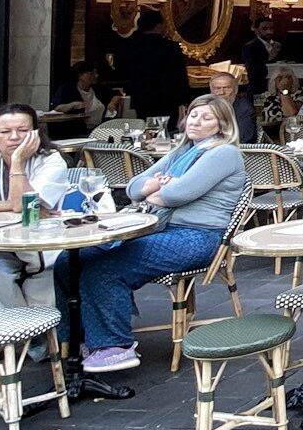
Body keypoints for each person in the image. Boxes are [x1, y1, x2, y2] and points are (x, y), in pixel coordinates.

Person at [78, 94, 248, 373]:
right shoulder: (182, 152)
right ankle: (76, 338)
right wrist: (154, 188)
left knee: (106, 266)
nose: (196, 121)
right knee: (76, 258)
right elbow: (132, 188)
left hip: (197, 237)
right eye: (193, 114)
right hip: (160, 229)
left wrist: (158, 190)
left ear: (222, 126)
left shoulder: (224, 153)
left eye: (207, 118)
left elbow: (178, 194)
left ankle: (114, 347)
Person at [0, 104, 76, 311]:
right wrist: (12, 205)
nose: (14, 137)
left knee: (44, 276)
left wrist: (17, 162)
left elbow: (24, 205)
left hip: (43, 245)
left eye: (23, 131)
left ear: (36, 134)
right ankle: (24, 332)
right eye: (5, 132)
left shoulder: (51, 161)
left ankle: (36, 332)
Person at [111, 20, 190, 129]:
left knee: (146, 128)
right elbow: (180, 75)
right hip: (167, 97)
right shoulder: (170, 47)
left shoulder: (131, 45)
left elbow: (121, 69)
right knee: (167, 130)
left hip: (142, 96)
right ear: (158, 26)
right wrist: (184, 98)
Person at [50, 61, 119, 129]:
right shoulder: (67, 89)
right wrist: (72, 105)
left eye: (96, 73)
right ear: (80, 76)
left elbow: (116, 94)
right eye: (91, 73)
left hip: (98, 130)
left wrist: (112, 102)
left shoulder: (98, 88)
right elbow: (57, 108)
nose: (96, 75)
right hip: (76, 131)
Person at [256, 68, 303, 142]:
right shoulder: (269, 97)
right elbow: (259, 115)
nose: (284, 81)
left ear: (293, 80)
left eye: (288, 77)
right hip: (269, 134)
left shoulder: (299, 94)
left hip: (290, 134)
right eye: (280, 78)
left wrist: (284, 91)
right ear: (274, 81)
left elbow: (290, 113)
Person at [240, 17, 280, 109]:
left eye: (271, 28)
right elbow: (253, 69)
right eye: (265, 29)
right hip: (258, 88)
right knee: (259, 113)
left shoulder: (279, 45)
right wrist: (270, 57)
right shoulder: (250, 47)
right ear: (256, 30)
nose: (269, 32)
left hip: (277, 88)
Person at [208, 70, 258, 141]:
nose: (222, 92)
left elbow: (244, 138)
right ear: (211, 91)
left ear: (235, 90)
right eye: (217, 88)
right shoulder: (207, 108)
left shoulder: (244, 109)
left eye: (227, 88)